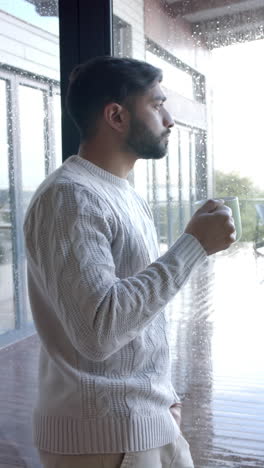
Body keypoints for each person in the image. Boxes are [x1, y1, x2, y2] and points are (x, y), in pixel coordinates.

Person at [24, 56, 236, 468]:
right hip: (102, 441)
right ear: (116, 116)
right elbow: (99, 330)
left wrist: (164, 399)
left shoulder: (120, 193)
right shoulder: (69, 197)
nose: (170, 119)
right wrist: (192, 245)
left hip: (146, 423)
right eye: (157, 104)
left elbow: (137, 320)